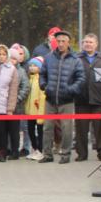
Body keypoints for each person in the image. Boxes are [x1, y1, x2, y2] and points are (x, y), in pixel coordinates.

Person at [38, 29, 84, 164]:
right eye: (58, 41)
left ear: (68, 42)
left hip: (67, 100)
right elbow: (42, 74)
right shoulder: (49, 57)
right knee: (47, 128)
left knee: (67, 128)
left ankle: (65, 154)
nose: (61, 44)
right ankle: (47, 154)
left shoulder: (75, 60)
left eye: (63, 41)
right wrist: (44, 86)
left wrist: (71, 90)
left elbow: (81, 78)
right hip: (50, 98)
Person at [74, 34, 101, 162]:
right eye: (85, 42)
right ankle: (82, 154)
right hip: (81, 99)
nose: (88, 44)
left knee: (100, 129)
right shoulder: (77, 58)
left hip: (98, 99)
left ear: (96, 44)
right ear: (82, 44)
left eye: (90, 42)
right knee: (81, 129)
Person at [25, 56, 46, 161]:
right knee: (30, 130)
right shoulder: (30, 79)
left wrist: (40, 110)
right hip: (29, 111)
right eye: (31, 65)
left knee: (40, 131)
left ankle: (41, 150)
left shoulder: (41, 79)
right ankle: (34, 148)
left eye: (35, 66)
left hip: (38, 110)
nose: (32, 68)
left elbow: (42, 96)